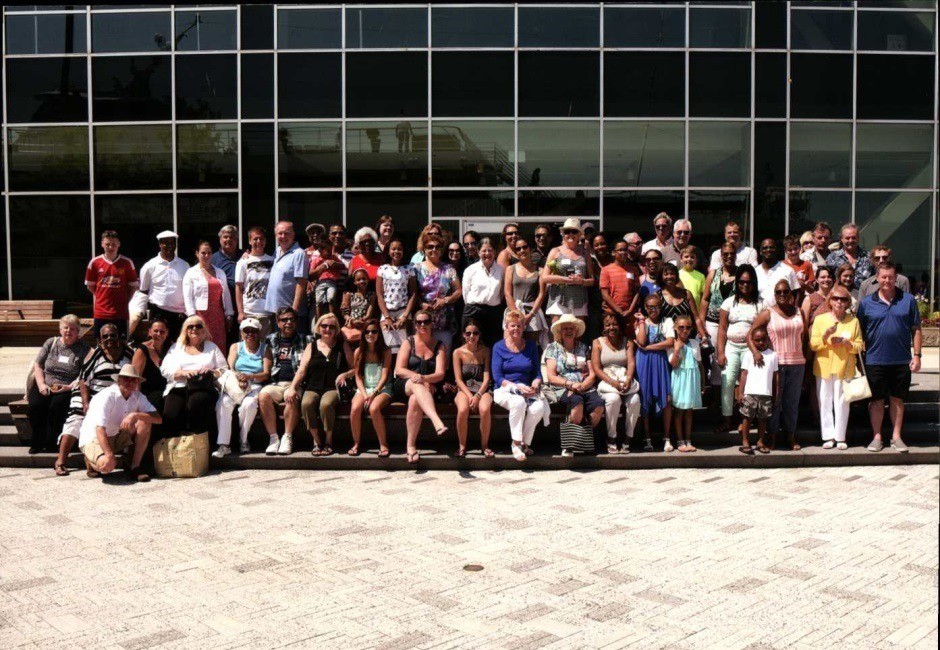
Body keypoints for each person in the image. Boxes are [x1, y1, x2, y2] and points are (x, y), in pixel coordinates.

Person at [858, 262, 922, 453]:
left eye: (890, 277)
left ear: (896, 278)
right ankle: (877, 437)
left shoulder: (908, 300)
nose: (887, 280)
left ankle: (896, 437)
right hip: (874, 360)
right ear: (877, 278)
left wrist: (917, 355)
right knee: (876, 401)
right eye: (883, 277)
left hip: (901, 360)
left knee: (897, 400)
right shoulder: (866, 303)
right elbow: (859, 331)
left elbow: (916, 329)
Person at [56, 324, 134, 475]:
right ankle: (61, 461)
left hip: (117, 397)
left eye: (112, 335)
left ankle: (127, 461)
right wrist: (86, 403)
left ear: (118, 336)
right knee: (76, 419)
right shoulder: (96, 354)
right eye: (105, 336)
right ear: (100, 340)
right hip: (91, 394)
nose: (109, 339)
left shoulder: (128, 353)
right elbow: (83, 380)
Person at [748, 280, 806, 452]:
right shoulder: (768, 313)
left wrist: (807, 358)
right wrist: (756, 353)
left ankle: (790, 434)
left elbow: (805, 337)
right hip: (775, 364)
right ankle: (771, 434)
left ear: (791, 294)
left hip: (797, 363)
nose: (782, 295)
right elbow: (750, 335)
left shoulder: (799, 311)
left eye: (786, 292)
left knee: (792, 402)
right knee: (775, 401)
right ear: (774, 294)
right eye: (779, 292)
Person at [78, 364, 161, 482]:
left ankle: (134, 467)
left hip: (116, 434)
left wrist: (135, 415)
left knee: (145, 421)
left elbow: (158, 418)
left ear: (137, 382)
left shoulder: (137, 396)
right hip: (94, 437)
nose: (130, 382)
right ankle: (93, 462)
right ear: (118, 380)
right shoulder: (107, 396)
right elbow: (99, 429)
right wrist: (109, 455)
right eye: (126, 378)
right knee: (107, 465)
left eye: (133, 379)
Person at [28, 315, 91, 466]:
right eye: (66, 327)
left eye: (73, 329)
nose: (69, 331)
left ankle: (51, 442)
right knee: (35, 406)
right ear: (60, 329)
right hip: (45, 384)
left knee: (57, 406)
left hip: (66, 387)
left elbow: (85, 373)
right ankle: (37, 441)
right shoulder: (51, 342)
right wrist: (42, 385)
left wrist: (69, 387)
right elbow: (38, 365)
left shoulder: (84, 348)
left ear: (78, 331)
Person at [291, 313, 355, 457]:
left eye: (331, 326)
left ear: (336, 329)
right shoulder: (311, 346)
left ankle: (328, 441)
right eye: (324, 326)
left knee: (326, 404)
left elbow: (355, 368)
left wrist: (345, 374)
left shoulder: (342, 345)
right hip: (313, 386)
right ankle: (317, 441)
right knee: (306, 403)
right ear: (319, 328)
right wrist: (292, 387)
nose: (327, 329)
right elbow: (302, 370)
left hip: (333, 388)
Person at [810, 285, 864, 450]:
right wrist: (826, 335)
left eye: (843, 299)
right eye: (836, 298)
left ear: (848, 302)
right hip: (824, 366)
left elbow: (860, 346)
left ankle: (840, 437)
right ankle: (828, 436)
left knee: (842, 403)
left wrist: (847, 343)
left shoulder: (853, 321)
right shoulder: (821, 320)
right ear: (830, 301)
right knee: (824, 401)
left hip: (844, 367)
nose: (839, 302)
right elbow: (813, 345)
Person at [544, 315, 604, 458]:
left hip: (585, 386)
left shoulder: (584, 347)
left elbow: (592, 374)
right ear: (560, 331)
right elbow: (551, 376)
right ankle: (570, 445)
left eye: (571, 328)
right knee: (577, 403)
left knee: (599, 405)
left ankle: (581, 438)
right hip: (563, 387)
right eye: (565, 328)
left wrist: (583, 385)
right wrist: (570, 384)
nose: (569, 331)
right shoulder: (553, 348)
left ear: (576, 331)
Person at [394, 310, 449, 464]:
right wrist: (419, 379)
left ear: (432, 324)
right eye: (419, 322)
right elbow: (399, 370)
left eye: (426, 321)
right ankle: (435, 420)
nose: (422, 325)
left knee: (415, 400)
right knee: (415, 384)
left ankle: (410, 446)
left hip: (428, 386)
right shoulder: (408, 342)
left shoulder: (439, 346)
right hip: (404, 384)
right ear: (415, 325)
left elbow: (440, 373)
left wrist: (424, 379)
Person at [213, 318, 272, 458]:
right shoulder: (236, 347)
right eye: (247, 330)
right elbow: (230, 367)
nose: (250, 333)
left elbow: (266, 374)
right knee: (223, 403)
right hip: (235, 384)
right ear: (241, 332)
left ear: (259, 332)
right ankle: (224, 445)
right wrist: (240, 378)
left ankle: (243, 439)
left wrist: (249, 377)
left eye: (253, 330)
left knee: (250, 404)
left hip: (255, 384)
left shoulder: (265, 348)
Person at [161, 315, 228, 436]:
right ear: (185, 330)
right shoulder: (176, 347)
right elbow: (164, 369)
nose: (194, 329)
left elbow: (223, 369)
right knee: (171, 412)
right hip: (179, 385)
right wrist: (182, 373)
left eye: (198, 326)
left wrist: (211, 371)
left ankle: (199, 445)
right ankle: (174, 447)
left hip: (204, 386)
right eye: (190, 326)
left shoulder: (212, 347)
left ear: (204, 329)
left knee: (198, 403)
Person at [492, 312, 546, 461]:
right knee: (518, 402)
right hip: (504, 389)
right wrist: (517, 387)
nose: (516, 328)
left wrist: (536, 382)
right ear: (507, 327)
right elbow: (497, 377)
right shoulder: (498, 347)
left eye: (519, 325)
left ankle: (524, 443)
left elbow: (537, 372)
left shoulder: (530, 346)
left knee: (539, 407)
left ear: (524, 327)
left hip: (526, 389)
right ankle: (516, 444)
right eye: (512, 325)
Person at [715, 265, 762, 434]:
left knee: (749, 385)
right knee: (727, 382)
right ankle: (727, 419)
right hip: (732, 347)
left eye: (749, 282)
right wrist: (720, 352)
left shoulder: (760, 303)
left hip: (751, 348)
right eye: (741, 282)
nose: (745, 285)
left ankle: (745, 420)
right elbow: (721, 328)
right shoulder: (729, 302)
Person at [258, 307, 308, 456]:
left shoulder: (306, 340)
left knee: (291, 397)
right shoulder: (270, 340)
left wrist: (294, 386)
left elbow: (305, 368)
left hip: (295, 383)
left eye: (292, 319)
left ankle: (287, 436)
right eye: (284, 320)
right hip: (275, 383)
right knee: (263, 396)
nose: (288, 323)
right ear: (278, 322)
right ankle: (273, 438)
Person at [591, 313, 640, 454]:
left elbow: (631, 362)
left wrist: (629, 379)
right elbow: (597, 368)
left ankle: (627, 438)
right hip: (607, 381)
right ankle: (611, 438)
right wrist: (613, 383)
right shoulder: (597, 342)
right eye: (608, 324)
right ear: (603, 327)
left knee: (635, 400)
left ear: (620, 326)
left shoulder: (628, 341)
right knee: (613, 399)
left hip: (625, 379)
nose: (611, 327)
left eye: (614, 324)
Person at [348, 320, 393, 457]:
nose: (370, 334)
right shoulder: (358, 352)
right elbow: (358, 377)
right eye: (367, 331)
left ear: (379, 333)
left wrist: (374, 393)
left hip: (382, 388)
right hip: (364, 388)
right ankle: (356, 443)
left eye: (374, 331)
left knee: (374, 408)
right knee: (355, 408)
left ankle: (383, 444)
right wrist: (365, 394)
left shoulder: (386, 351)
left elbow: (385, 375)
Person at [636, 293, 674, 451]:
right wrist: (643, 322)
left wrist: (649, 348)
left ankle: (667, 437)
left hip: (661, 362)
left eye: (657, 306)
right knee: (645, 398)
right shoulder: (641, 322)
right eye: (650, 307)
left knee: (666, 399)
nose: (654, 310)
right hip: (644, 362)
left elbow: (670, 341)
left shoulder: (667, 321)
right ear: (646, 307)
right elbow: (641, 341)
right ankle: (647, 437)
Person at [85, 230, 138, 339]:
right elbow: (90, 286)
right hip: (101, 312)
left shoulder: (127, 262)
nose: (110, 247)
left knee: (121, 343)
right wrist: (101, 295)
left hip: (121, 313)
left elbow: (133, 286)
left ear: (119, 244)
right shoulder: (94, 262)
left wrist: (125, 300)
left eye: (113, 244)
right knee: (101, 343)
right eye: (107, 244)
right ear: (102, 244)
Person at [414, 233, 462, 353]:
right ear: (424, 249)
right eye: (430, 246)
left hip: (444, 322)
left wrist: (445, 300)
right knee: (422, 357)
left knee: (443, 359)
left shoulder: (449, 269)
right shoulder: (416, 269)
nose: (434, 249)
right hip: (422, 322)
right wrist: (421, 304)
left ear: (441, 250)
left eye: (437, 247)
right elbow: (412, 293)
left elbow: (459, 291)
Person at [452, 319, 493, 459]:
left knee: (485, 409)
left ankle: (485, 445)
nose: (471, 336)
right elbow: (458, 379)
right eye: (468, 333)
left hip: (482, 388)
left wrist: (478, 395)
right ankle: (462, 445)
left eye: (475, 333)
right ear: (463, 334)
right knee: (463, 409)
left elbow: (487, 378)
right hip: (465, 389)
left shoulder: (486, 351)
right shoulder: (457, 352)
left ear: (479, 334)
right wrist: (470, 396)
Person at [183, 240, 234, 350]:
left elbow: (226, 295)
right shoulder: (191, 273)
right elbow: (187, 297)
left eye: (209, 253)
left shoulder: (220, 272)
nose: (206, 256)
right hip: (200, 315)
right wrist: (192, 316)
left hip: (218, 316)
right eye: (203, 253)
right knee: (201, 343)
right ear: (197, 253)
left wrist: (229, 314)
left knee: (218, 345)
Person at [700, 243, 738, 390]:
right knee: (716, 358)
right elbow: (705, 299)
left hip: (733, 323)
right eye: (725, 254)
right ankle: (716, 394)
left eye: (732, 253)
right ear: (721, 255)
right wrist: (702, 323)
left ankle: (732, 392)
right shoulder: (713, 274)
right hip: (713, 323)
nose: (729, 256)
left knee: (732, 357)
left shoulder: (741, 274)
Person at [736, 326, 779, 455]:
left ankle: (760, 441)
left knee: (762, 419)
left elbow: (776, 376)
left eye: (763, 339)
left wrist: (776, 393)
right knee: (747, 418)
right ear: (752, 341)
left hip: (765, 393)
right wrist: (740, 392)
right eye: (757, 340)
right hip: (750, 392)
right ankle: (745, 441)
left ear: (768, 339)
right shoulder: (749, 354)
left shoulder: (773, 355)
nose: (760, 342)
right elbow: (744, 373)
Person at [139, 230, 189, 339]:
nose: (170, 246)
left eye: (172, 243)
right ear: (160, 244)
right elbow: (143, 291)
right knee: (158, 346)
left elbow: (189, 291)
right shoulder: (149, 266)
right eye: (166, 243)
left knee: (178, 347)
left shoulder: (184, 266)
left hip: (179, 315)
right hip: (158, 313)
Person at [131, 317, 171, 452]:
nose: (158, 334)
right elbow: (135, 379)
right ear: (149, 332)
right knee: (158, 401)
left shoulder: (172, 348)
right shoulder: (142, 350)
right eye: (155, 331)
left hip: (168, 390)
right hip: (148, 393)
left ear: (167, 333)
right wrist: (136, 403)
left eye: (162, 331)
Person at [543, 219, 593, 322]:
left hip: (579, 301)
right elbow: (545, 277)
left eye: (574, 231)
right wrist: (567, 280)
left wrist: (582, 281)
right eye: (567, 231)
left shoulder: (585, 252)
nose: (570, 234)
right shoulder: (555, 251)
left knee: (577, 335)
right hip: (558, 300)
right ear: (562, 234)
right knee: (557, 335)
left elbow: (592, 280)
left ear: (579, 234)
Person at [265, 221, 309, 333]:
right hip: (276, 312)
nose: (283, 236)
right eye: (280, 233)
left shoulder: (298, 253)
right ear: (275, 235)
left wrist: (294, 311)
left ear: (293, 235)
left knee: (295, 348)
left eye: (287, 233)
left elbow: (302, 283)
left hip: (291, 315)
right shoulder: (277, 252)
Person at [503, 237, 548, 345]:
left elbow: (541, 294)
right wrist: (517, 315)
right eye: (518, 249)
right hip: (513, 312)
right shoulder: (510, 269)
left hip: (532, 314)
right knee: (511, 345)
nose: (522, 250)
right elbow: (507, 294)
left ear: (531, 249)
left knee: (531, 347)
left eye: (524, 247)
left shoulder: (540, 271)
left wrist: (530, 315)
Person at [669, 315, 704, 453]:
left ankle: (688, 439)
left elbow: (700, 364)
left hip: (692, 378)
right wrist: (677, 349)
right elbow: (673, 363)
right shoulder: (673, 343)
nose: (684, 330)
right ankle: (680, 439)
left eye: (688, 327)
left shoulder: (695, 343)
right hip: (680, 378)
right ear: (675, 328)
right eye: (681, 327)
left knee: (689, 411)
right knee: (679, 411)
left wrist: (702, 382)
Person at [376, 238, 417, 352]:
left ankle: (400, 370)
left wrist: (405, 316)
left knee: (404, 348)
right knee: (388, 348)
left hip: (403, 312)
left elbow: (413, 293)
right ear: (388, 251)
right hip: (387, 312)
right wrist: (387, 317)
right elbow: (379, 294)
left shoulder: (409, 269)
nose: (396, 251)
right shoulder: (382, 269)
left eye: (399, 249)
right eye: (393, 249)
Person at [461, 239, 504, 348]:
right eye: (484, 251)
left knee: (493, 344)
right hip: (474, 311)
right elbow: (465, 293)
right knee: (471, 344)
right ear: (479, 252)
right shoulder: (470, 270)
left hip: (494, 312)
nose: (487, 254)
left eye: (490, 250)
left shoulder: (501, 270)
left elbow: (501, 292)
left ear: (495, 252)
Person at [234, 226, 274, 337]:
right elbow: (238, 287)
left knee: (266, 348)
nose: (258, 242)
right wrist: (240, 312)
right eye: (255, 239)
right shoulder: (243, 262)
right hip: (249, 313)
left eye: (261, 239)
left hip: (267, 314)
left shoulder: (273, 261)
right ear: (250, 241)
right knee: (247, 349)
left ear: (265, 241)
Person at [599, 239, 641, 333]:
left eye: (626, 250)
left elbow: (636, 292)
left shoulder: (633, 269)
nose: (624, 252)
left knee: (629, 341)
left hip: (629, 314)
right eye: (621, 250)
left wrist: (630, 310)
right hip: (611, 314)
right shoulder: (606, 270)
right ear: (613, 253)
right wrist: (619, 311)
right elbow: (605, 295)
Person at [659, 264, 709, 342]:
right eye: (666, 274)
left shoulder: (686, 294)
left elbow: (696, 318)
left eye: (672, 274)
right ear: (661, 277)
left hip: (687, 338)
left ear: (676, 276)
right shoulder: (658, 296)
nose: (669, 276)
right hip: (667, 340)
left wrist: (704, 336)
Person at [309, 231, 348, 319]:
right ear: (320, 251)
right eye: (327, 251)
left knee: (331, 297)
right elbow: (311, 273)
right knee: (319, 300)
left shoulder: (334, 258)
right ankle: (319, 318)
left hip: (332, 281)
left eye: (331, 250)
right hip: (320, 282)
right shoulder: (317, 260)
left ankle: (331, 315)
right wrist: (323, 266)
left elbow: (343, 267)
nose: (330, 252)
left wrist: (336, 264)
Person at [826, 223, 873, 291]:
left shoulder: (869, 257)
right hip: (840, 298)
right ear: (841, 239)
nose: (850, 241)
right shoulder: (832, 257)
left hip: (863, 298)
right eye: (847, 238)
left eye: (853, 237)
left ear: (858, 238)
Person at [755, 238, 799, 309]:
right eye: (765, 248)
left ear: (776, 250)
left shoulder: (788, 270)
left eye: (771, 247)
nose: (768, 250)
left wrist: (795, 311)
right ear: (760, 252)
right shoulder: (755, 272)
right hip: (759, 314)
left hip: (782, 315)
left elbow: (797, 294)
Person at [339, 268, 377, 344]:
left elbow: (370, 310)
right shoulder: (349, 295)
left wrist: (365, 319)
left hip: (365, 325)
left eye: (364, 279)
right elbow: (344, 313)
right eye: (358, 280)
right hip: (351, 325)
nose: (362, 281)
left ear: (368, 280)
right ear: (354, 282)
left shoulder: (372, 295)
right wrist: (352, 320)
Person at [211, 225, 240, 309]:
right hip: (219, 306)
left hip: (242, 306)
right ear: (220, 240)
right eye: (225, 237)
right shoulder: (212, 259)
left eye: (231, 237)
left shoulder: (245, 257)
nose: (228, 240)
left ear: (237, 240)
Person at [782, 233, 815, 303]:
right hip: (785, 302)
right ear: (785, 251)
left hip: (801, 302)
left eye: (795, 248)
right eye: (790, 250)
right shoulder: (781, 265)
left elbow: (812, 290)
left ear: (800, 248)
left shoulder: (807, 265)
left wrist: (805, 285)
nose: (793, 252)